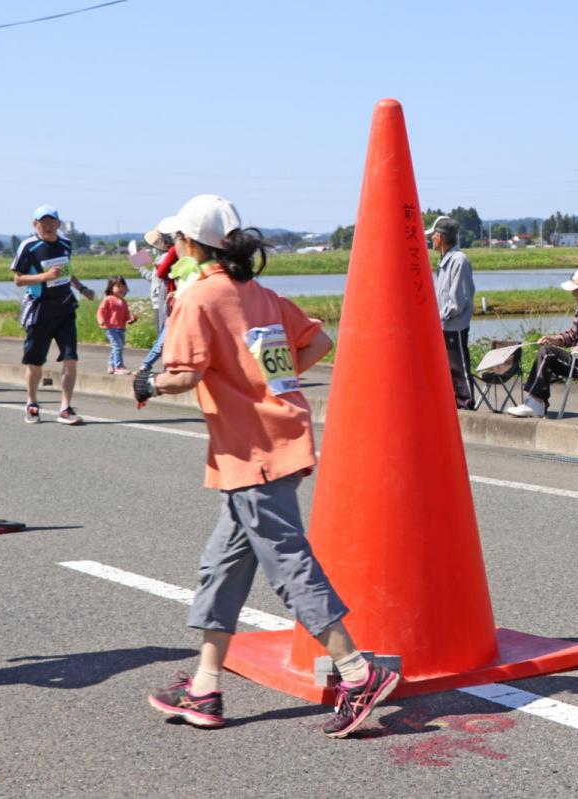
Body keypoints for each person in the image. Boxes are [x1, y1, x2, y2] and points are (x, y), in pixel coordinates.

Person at [135, 194, 400, 736]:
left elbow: (184, 374)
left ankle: (356, 672)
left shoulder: (199, 299)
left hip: (253, 453)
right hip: (265, 446)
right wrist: (271, 387)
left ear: (187, 245)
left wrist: (146, 382)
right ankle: (205, 688)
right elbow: (319, 340)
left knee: (287, 564)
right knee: (222, 566)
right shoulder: (259, 295)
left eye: (175, 242)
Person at [11, 204, 96, 425]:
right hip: (39, 308)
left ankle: (65, 408)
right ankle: (31, 402)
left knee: (71, 358)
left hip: (65, 307)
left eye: (52, 222)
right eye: (43, 222)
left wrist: (82, 288)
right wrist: (44, 277)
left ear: (58, 224)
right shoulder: (28, 246)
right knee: (36, 362)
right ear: (35, 224)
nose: (48, 226)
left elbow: (67, 271)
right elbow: (18, 279)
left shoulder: (65, 243)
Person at [505, 269, 578, 418]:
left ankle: (536, 404)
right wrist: (554, 339)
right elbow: (572, 335)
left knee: (548, 353)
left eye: (575, 290)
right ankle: (535, 402)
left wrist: (575, 349)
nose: (572, 294)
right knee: (547, 350)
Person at [429, 215, 475, 410]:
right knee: (448, 368)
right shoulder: (444, 261)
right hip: (444, 323)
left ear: (440, 237)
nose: (431, 239)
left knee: (459, 366)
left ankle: (467, 404)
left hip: (454, 324)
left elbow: (457, 300)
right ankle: (454, 404)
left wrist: (438, 317)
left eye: (433, 235)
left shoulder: (458, 260)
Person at [133, 229, 178, 373]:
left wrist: (138, 263)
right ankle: (167, 367)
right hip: (160, 300)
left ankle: (156, 366)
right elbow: (153, 278)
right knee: (163, 336)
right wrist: (139, 266)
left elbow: (157, 278)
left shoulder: (164, 259)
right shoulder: (162, 259)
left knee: (163, 336)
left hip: (162, 301)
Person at [96, 275, 138, 375]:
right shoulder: (108, 299)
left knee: (117, 346)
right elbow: (100, 311)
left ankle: (111, 365)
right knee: (118, 346)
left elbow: (126, 316)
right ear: (111, 287)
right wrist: (101, 320)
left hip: (121, 328)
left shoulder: (124, 302)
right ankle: (119, 367)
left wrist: (131, 319)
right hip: (110, 327)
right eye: (118, 286)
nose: (121, 289)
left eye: (123, 286)